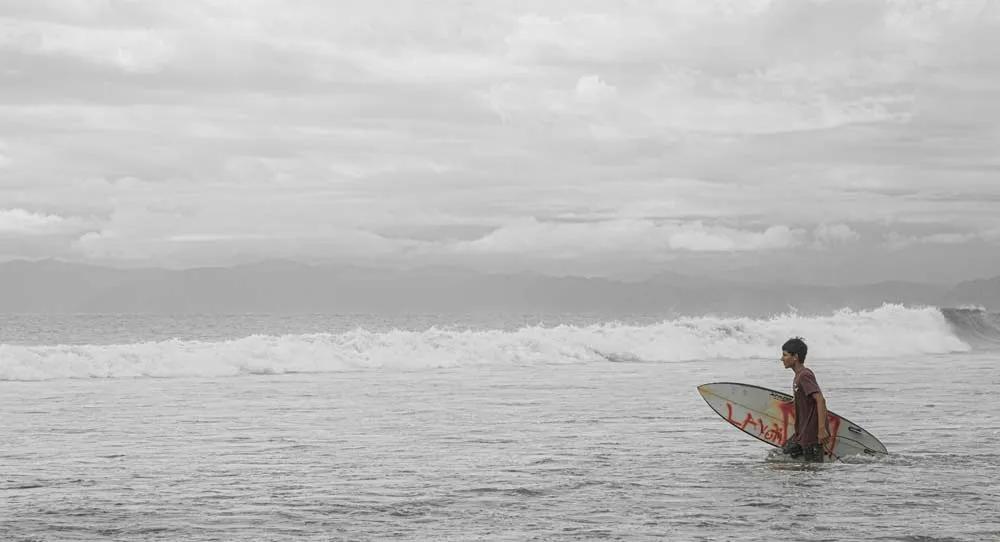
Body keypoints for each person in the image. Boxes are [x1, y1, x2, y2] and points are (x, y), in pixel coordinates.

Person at [780, 337, 830, 462]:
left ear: (795, 357)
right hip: (801, 433)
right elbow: (808, 397)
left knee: (813, 471)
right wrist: (796, 400)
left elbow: (820, 400)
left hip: (812, 435)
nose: (781, 359)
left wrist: (822, 430)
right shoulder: (798, 376)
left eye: (785, 355)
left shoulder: (804, 375)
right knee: (780, 456)